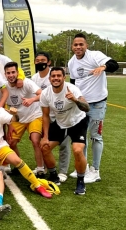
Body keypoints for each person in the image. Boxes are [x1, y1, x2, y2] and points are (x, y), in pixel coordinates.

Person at [68, 33, 119, 183]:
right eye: (75, 45)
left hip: (97, 103)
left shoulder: (95, 56)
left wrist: (103, 67)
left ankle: (95, 170)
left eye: (81, 44)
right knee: (80, 137)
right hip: (81, 105)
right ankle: (82, 166)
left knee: (95, 136)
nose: (78, 47)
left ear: (86, 46)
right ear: (72, 47)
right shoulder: (72, 62)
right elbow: (73, 82)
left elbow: (114, 64)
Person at [39, 67, 90, 195]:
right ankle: (54, 176)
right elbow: (45, 115)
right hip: (60, 123)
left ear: (64, 77)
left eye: (59, 76)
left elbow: (87, 108)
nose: (56, 78)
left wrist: (75, 100)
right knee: (44, 147)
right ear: (50, 78)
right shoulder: (45, 94)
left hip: (77, 122)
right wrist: (45, 136)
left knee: (78, 150)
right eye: (53, 76)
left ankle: (80, 181)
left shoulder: (72, 89)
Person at [32, 51, 70, 183]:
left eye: (43, 60)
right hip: (43, 115)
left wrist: (33, 99)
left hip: (60, 115)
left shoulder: (55, 75)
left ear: (48, 62)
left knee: (63, 144)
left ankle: (63, 171)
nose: (40, 62)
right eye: (37, 61)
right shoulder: (34, 78)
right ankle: (46, 168)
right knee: (44, 142)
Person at [4, 62, 45, 177]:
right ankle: (20, 166)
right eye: (8, 73)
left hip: (34, 115)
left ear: (18, 73)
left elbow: (42, 94)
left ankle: (40, 169)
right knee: (11, 142)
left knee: (35, 140)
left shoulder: (26, 83)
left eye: (13, 72)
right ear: (5, 74)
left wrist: (32, 99)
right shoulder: (4, 86)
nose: (11, 75)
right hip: (18, 118)